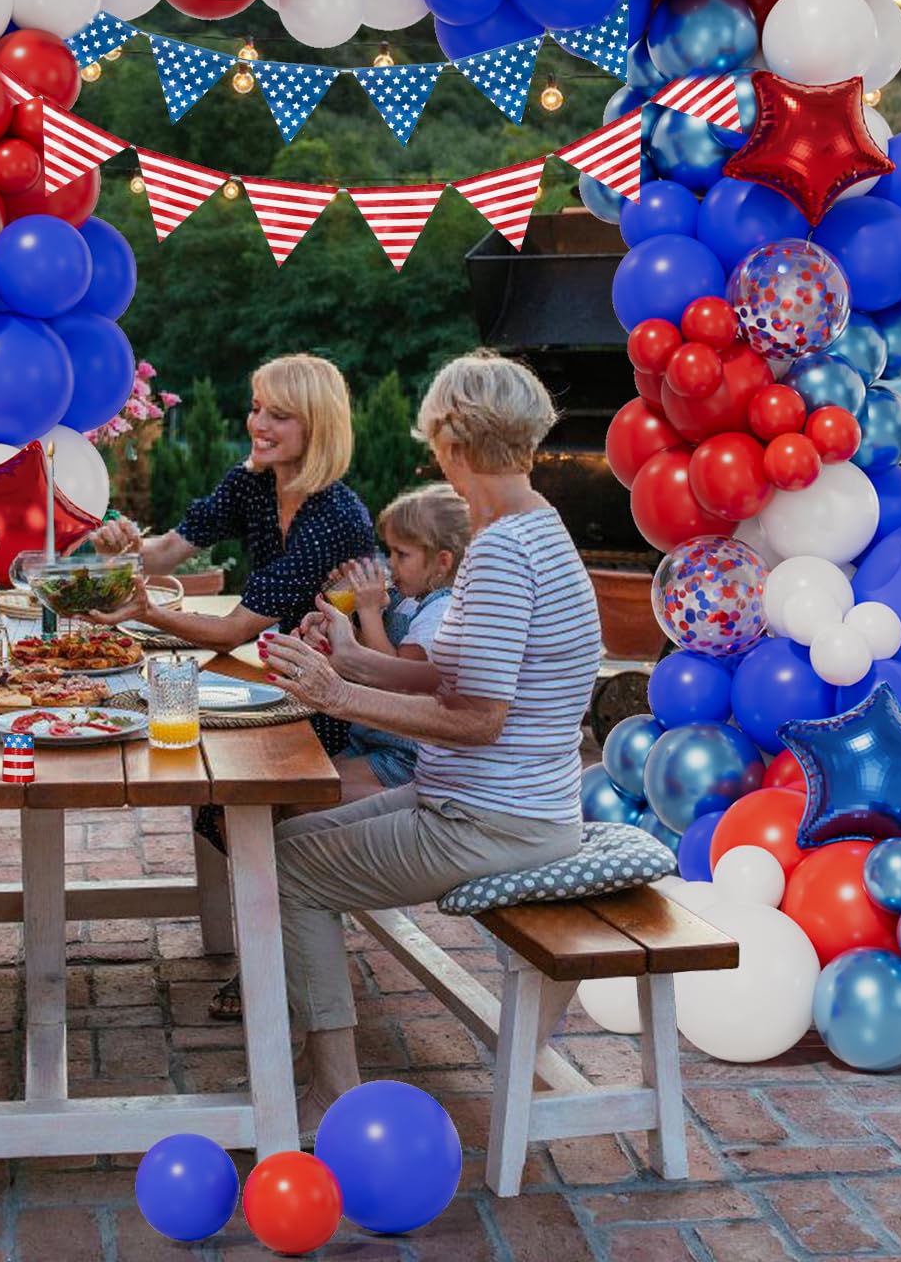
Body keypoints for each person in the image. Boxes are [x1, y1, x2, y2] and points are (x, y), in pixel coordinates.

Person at [263, 352, 601, 1135]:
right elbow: (457, 677)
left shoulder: (501, 552)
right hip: (497, 803)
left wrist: (340, 695)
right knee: (279, 843)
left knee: (284, 870)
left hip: (492, 821)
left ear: (451, 443)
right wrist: (351, 657)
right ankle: (308, 1049)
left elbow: (480, 718)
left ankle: (333, 1089)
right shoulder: (533, 530)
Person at [87, 353, 376, 1019]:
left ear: (318, 425)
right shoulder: (251, 485)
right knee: (207, 780)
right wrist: (119, 547)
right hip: (280, 681)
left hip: (336, 700)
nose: (257, 423)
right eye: (255, 407)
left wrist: (149, 611)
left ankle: (280, 955)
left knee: (222, 795)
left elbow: (237, 627)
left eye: (278, 414)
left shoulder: (336, 515)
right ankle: (270, 938)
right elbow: (167, 552)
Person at [331, 483, 470, 802]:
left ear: (442, 562)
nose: (390, 564)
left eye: (402, 554)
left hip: (405, 756)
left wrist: (367, 611)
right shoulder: (406, 598)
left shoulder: (442, 612)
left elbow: (397, 680)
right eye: (389, 551)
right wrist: (354, 613)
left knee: (311, 793)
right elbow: (368, 657)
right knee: (304, 780)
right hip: (371, 737)